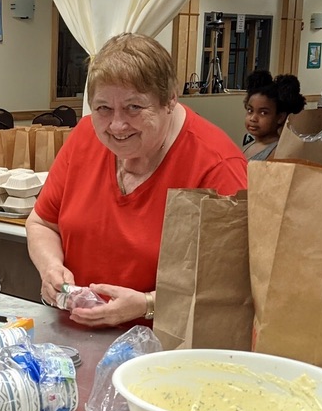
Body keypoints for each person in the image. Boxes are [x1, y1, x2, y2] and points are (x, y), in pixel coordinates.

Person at [26, 33, 247, 328]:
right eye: (103, 108)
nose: (117, 126)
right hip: (77, 336)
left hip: (166, 349)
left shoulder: (217, 166)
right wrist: (50, 267)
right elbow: (42, 223)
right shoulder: (84, 137)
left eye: (134, 107)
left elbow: (232, 284)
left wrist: (147, 304)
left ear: (169, 100)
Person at [241, 70, 305, 161]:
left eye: (263, 113)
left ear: (280, 117)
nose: (253, 118)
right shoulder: (249, 144)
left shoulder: (278, 152)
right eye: (250, 110)